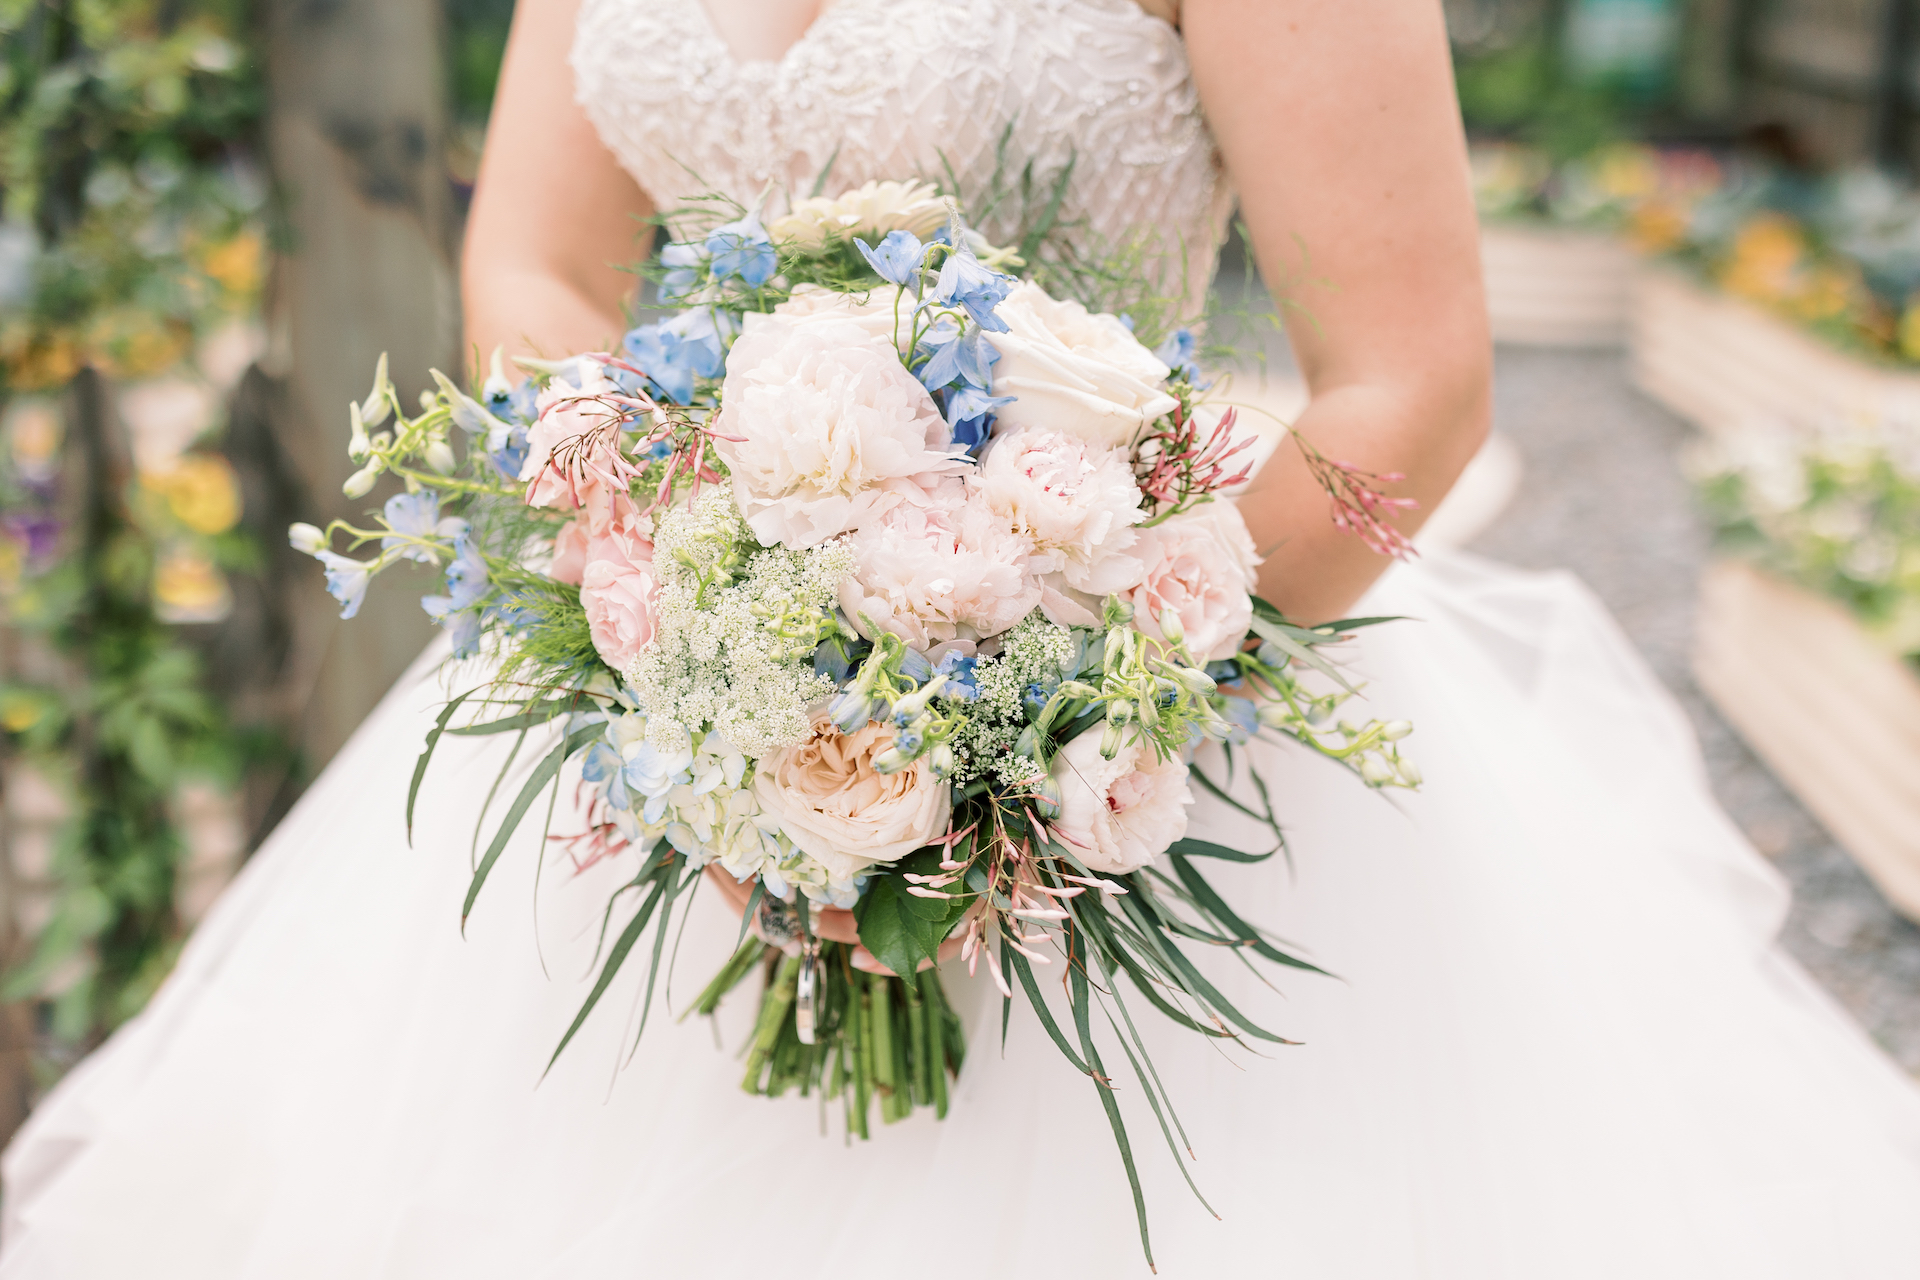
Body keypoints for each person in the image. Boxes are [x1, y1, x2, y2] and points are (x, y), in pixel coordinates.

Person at [4, 1, 1918, 1275]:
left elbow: (1409, 398)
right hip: (670, 710)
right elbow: (535, 265)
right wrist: (689, 596)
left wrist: (1032, 711)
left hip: (1136, 734)